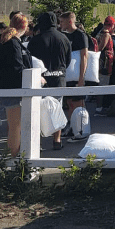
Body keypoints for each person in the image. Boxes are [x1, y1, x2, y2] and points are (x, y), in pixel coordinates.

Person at [0, 15, 32, 156]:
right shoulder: (13, 43)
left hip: (4, 88)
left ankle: (13, 153)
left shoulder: (2, 40)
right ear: (24, 28)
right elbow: (17, 67)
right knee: (15, 127)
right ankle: (14, 158)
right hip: (12, 89)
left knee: (13, 126)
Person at [28, 11, 71, 150]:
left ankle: (38, 142)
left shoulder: (36, 40)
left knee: (37, 109)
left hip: (41, 79)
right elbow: (68, 60)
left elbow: (30, 61)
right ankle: (57, 140)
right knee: (57, 109)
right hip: (59, 78)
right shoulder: (64, 38)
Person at [60, 12, 95, 140]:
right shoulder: (64, 35)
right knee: (70, 102)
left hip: (78, 74)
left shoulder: (80, 35)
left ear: (69, 22)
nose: (60, 25)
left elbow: (84, 56)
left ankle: (82, 129)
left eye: (62, 22)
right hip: (70, 75)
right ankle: (72, 126)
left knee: (78, 102)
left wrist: (82, 77)